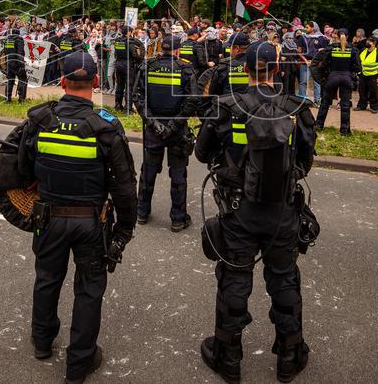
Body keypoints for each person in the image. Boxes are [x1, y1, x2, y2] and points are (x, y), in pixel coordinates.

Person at [194, 41, 315, 383]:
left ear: (244, 68)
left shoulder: (227, 106)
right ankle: (290, 357)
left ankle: (228, 358)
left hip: (238, 212)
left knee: (234, 279)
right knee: (284, 278)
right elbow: (306, 160)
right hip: (283, 211)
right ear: (277, 69)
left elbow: (202, 154)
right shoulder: (295, 108)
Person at [15, 51, 137, 382]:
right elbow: (125, 187)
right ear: (97, 81)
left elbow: (21, 171)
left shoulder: (39, 120)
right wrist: (124, 230)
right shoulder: (106, 126)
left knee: (47, 278)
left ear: (63, 81)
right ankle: (79, 363)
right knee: (89, 289)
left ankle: (42, 341)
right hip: (90, 223)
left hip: (48, 219)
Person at [132, 35, 200, 231]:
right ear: (178, 50)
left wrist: (153, 123)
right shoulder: (185, 69)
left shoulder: (148, 66)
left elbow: (137, 96)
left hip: (154, 129)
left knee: (148, 171)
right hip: (177, 130)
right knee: (178, 174)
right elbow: (193, 100)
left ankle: (142, 212)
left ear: (162, 49)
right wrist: (174, 124)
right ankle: (178, 218)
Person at [314, 30, 360, 134]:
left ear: (337, 36)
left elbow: (323, 65)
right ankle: (344, 130)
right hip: (346, 79)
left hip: (332, 78)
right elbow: (358, 67)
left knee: (325, 103)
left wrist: (323, 76)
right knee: (345, 105)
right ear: (347, 36)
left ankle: (318, 126)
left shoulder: (331, 48)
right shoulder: (353, 49)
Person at [112, 26, 142, 112]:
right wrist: (140, 58)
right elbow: (134, 55)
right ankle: (128, 107)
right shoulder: (130, 42)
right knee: (129, 87)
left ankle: (118, 105)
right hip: (128, 66)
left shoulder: (117, 41)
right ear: (128, 32)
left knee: (119, 86)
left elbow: (116, 53)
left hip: (118, 65)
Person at [355, 33, 378, 113]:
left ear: (374, 43)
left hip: (373, 76)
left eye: (370, 42)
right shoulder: (362, 51)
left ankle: (374, 107)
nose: (367, 43)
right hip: (363, 75)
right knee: (362, 91)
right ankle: (361, 105)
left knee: (373, 92)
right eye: (367, 41)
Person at [3, 28, 28, 103]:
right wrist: (21, 65)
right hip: (17, 62)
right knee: (23, 80)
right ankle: (21, 99)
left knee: (10, 81)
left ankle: (7, 99)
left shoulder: (7, 39)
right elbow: (20, 53)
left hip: (8, 62)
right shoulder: (19, 39)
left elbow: (4, 51)